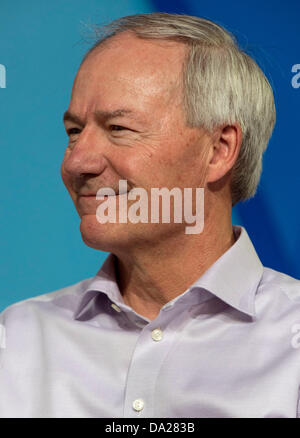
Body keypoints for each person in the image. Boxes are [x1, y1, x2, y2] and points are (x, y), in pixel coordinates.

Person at [0, 12, 299, 418]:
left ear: (218, 150)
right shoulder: (17, 338)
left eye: (119, 128)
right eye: (74, 132)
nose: (77, 164)